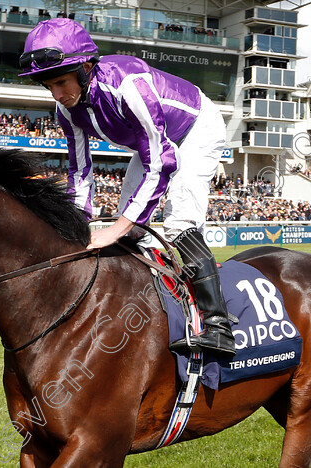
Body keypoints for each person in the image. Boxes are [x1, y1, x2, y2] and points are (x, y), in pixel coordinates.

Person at [19, 18, 234, 355]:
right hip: (148, 143)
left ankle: (219, 325)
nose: (58, 95)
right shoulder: (66, 109)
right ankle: (150, 305)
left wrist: (115, 230)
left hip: (195, 129)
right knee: (133, 230)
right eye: (49, 86)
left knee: (177, 223)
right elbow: (80, 172)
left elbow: (162, 163)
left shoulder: (128, 85)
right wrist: (77, 226)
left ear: (85, 66)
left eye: (61, 82)